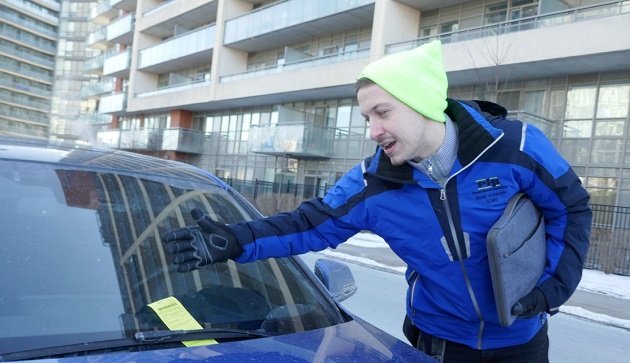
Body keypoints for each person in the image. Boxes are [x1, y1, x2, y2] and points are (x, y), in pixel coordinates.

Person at [162, 40, 592, 362]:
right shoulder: (374, 182)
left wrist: (554, 287)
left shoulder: (514, 147)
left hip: (523, 342)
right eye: (367, 118)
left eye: (382, 113)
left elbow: (571, 209)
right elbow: (310, 223)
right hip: (436, 344)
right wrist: (238, 239)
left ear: (423, 103)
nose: (372, 130)